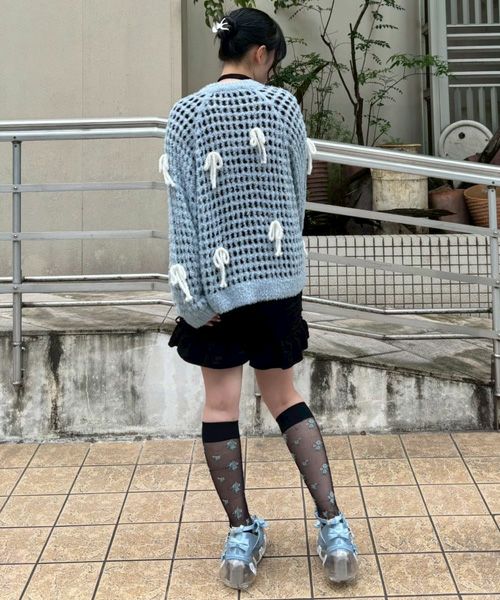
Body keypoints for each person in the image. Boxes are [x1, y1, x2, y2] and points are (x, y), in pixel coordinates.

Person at [161, 7, 359, 591]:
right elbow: (295, 194)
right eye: (273, 60)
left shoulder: (185, 114)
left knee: (220, 406)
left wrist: (191, 297)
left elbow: (181, 209)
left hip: (215, 289)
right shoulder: (282, 107)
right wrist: (281, 267)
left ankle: (241, 537)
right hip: (275, 283)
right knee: (285, 396)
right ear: (262, 53)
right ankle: (334, 527)